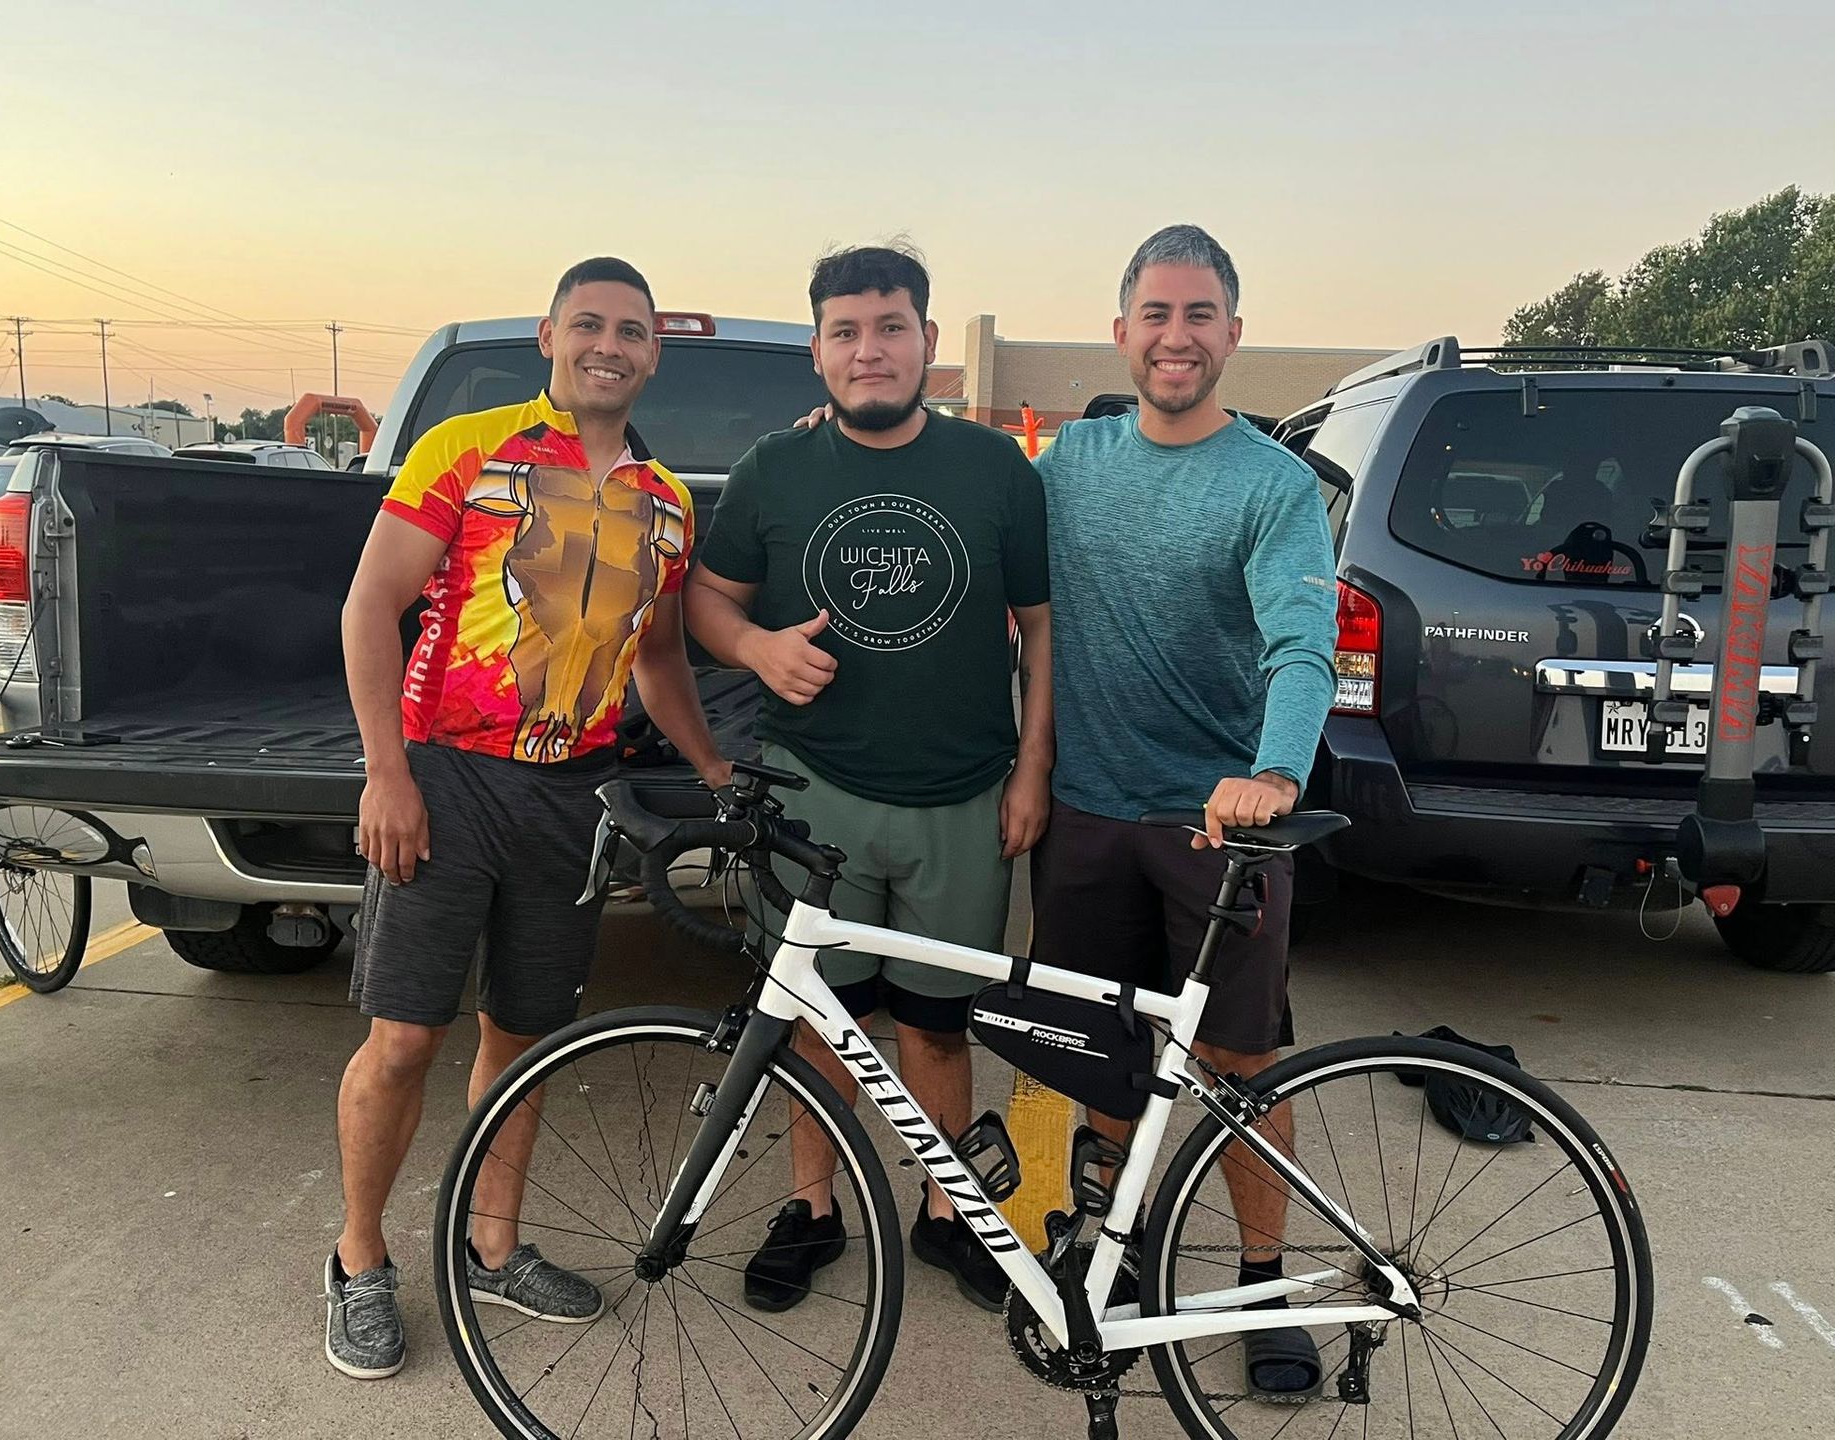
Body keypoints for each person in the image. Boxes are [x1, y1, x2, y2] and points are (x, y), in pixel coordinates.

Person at [326, 257, 730, 1380]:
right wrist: (385, 775)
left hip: (572, 792)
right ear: (551, 335)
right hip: (448, 779)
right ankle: (360, 1262)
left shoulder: (668, 502)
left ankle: (494, 1247)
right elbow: (370, 606)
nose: (609, 344)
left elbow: (657, 658)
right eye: (589, 324)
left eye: (632, 331)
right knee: (406, 1036)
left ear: (654, 353)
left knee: (524, 1039)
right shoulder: (468, 447)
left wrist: (711, 765)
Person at [686, 243, 1053, 1314]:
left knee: (940, 1026)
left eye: (891, 327)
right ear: (817, 352)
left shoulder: (996, 471)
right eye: (845, 331)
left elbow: (1039, 630)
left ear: (929, 343)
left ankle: (948, 1216)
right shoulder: (775, 470)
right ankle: (813, 1208)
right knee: (816, 1019)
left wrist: (1032, 770)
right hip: (819, 793)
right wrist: (755, 649)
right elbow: (706, 603)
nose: (869, 349)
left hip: (964, 796)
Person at [1029, 224, 1339, 1402]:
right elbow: (963, 513)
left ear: (1233, 336)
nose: (1176, 336)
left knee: (1243, 1063)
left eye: (1200, 314)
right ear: (1122, 332)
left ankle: (1262, 1284)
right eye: (1156, 314)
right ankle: (1111, 1258)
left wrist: (1274, 774)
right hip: (1086, 816)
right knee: (1100, 1063)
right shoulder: (1068, 464)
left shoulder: (1272, 484)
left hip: (1217, 823)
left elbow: (1303, 647)